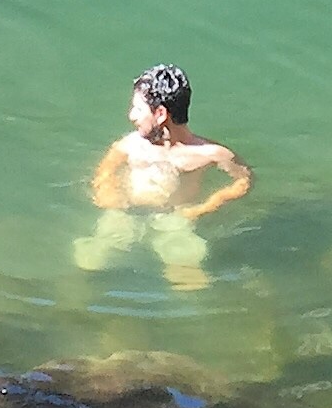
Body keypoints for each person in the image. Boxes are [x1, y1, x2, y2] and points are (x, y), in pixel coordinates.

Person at [75, 69, 251, 293]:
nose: (131, 116)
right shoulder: (130, 145)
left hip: (174, 217)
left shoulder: (208, 153)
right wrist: (108, 193)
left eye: (138, 109)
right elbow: (106, 171)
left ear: (160, 114)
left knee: (187, 271)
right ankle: (80, 293)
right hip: (125, 211)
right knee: (90, 259)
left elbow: (243, 180)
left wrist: (206, 207)